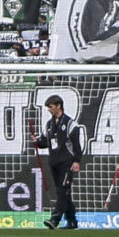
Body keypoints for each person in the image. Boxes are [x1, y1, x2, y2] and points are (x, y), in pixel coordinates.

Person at [34, 94, 83, 229]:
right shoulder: (49, 124)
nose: (49, 110)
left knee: (62, 191)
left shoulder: (70, 124)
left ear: (58, 106)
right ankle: (72, 221)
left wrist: (77, 161)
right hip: (54, 162)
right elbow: (45, 142)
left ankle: (55, 219)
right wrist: (36, 141)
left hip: (67, 163)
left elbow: (77, 145)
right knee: (64, 193)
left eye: (50, 107)